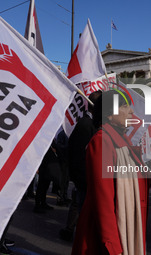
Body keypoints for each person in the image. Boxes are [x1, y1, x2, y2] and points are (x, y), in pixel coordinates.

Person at [71, 90, 148, 255]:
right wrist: (112, 245)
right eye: (125, 106)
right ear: (109, 114)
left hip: (122, 222)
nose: (131, 111)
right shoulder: (102, 141)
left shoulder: (120, 139)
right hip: (106, 234)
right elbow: (102, 198)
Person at [59, 90, 102, 241]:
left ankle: (71, 230)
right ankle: (74, 233)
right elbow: (79, 156)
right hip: (84, 178)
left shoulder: (91, 123)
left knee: (79, 205)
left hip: (85, 178)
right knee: (81, 206)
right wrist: (83, 179)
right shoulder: (85, 125)